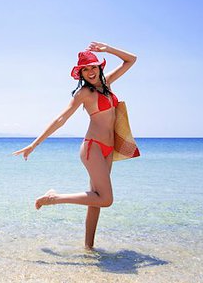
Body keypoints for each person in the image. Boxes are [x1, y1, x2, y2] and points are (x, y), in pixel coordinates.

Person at [12, 41, 137, 250]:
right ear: (80, 73)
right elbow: (61, 119)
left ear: (99, 67)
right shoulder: (84, 94)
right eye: (85, 69)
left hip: (107, 149)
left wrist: (108, 49)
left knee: (95, 202)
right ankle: (53, 198)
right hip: (93, 148)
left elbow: (131, 59)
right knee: (106, 199)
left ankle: (89, 248)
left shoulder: (107, 84)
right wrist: (34, 144)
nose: (90, 72)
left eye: (93, 67)